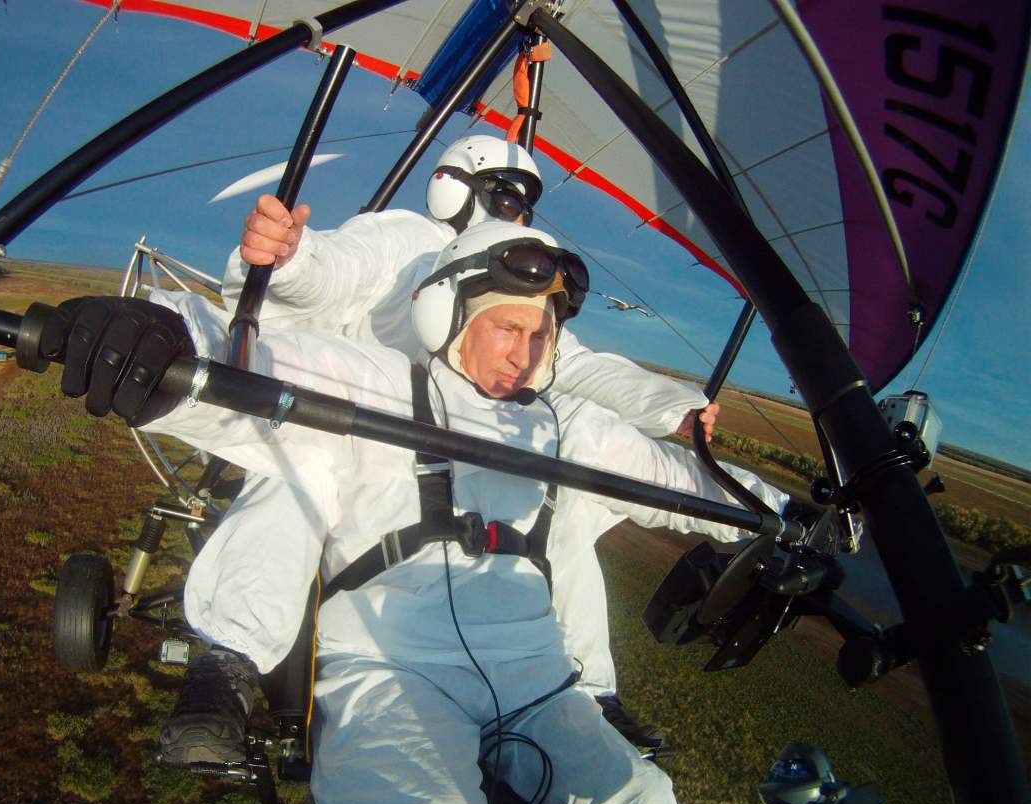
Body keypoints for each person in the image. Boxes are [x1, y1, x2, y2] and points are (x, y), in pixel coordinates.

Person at [37, 222, 788, 804]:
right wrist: (151, 331)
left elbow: (685, 482)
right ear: (450, 316)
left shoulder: (568, 425)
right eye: (506, 326)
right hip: (394, 670)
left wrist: (786, 518)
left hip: (535, 678)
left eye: (540, 334)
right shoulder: (376, 385)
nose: (523, 352)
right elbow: (251, 366)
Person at [180, 133, 720, 757]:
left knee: (560, 506)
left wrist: (669, 406)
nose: (511, 213)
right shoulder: (404, 238)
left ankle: (588, 694)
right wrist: (293, 260)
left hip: (466, 450)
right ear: (454, 184)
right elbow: (334, 271)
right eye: (501, 195)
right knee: (300, 466)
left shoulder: (512, 276)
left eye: (521, 205)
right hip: (362, 433)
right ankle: (231, 660)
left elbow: (573, 363)